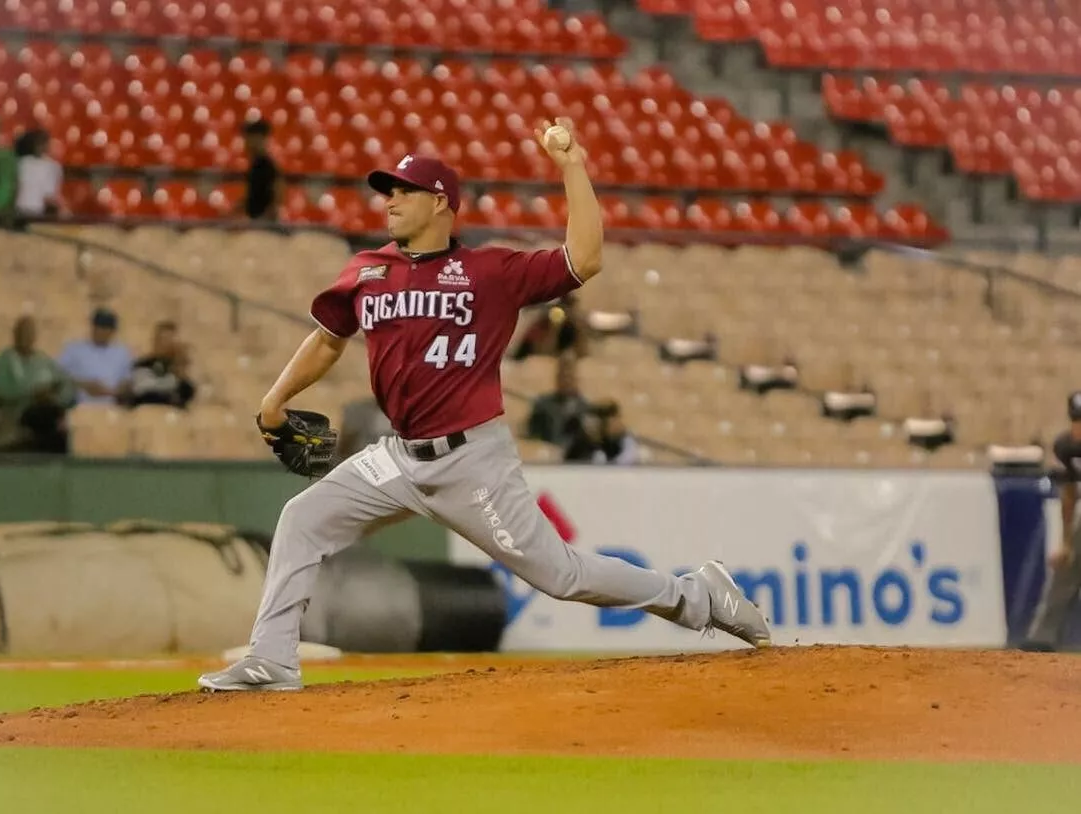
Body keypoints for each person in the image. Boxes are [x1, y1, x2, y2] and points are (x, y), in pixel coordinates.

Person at [198, 119, 771, 693]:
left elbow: (585, 258)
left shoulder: (490, 272)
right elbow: (328, 337)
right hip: (397, 458)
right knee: (302, 518)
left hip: (471, 460)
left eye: (402, 190)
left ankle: (698, 595)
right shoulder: (368, 270)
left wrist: (572, 164)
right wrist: (275, 399)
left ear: (440, 202)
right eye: (386, 190)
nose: (389, 199)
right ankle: (273, 659)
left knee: (561, 575)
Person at [1021, 392, 1081, 652]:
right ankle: (1042, 638)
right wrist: (1066, 542)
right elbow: (1069, 494)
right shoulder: (1066, 447)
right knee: (1066, 567)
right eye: (1076, 421)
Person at [0, 315, 74, 453]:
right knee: (44, 418)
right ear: (15, 335)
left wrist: (53, 396)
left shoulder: (44, 361)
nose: (26, 337)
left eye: (30, 333)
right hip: (19, 413)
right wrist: (32, 393)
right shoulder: (3, 361)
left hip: (47, 410)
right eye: (22, 333)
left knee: (57, 425)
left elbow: (66, 386)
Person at [57, 307, 134, 405]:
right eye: (99, 327)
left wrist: (112, 391)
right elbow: (59, 377)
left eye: (107, 329)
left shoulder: (122, 353)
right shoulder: (74, 349)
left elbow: (127, 381)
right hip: (80, 406)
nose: (102, 332)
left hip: (112, 409)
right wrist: (84, 385)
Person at [126, 320, 195, 408]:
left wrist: (181, 372)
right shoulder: (142, 364)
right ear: (155, 341)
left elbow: (188, 395)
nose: (167, 344)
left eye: (170, 340)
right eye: (163, 339)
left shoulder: (180, 367)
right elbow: (142, 390)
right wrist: (172, 382)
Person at [13, 128, 62, 221]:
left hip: (21, 212)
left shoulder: (19, 163)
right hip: (35, 213)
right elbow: (50, 197)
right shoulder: (51, 166)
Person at [241, 119, 281, 220]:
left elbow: (278, 195)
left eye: (250, 137)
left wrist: (263, 220)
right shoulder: (255, 164)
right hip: (255, 220)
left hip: (264, 223)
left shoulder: (267, 165)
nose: (247, 142)